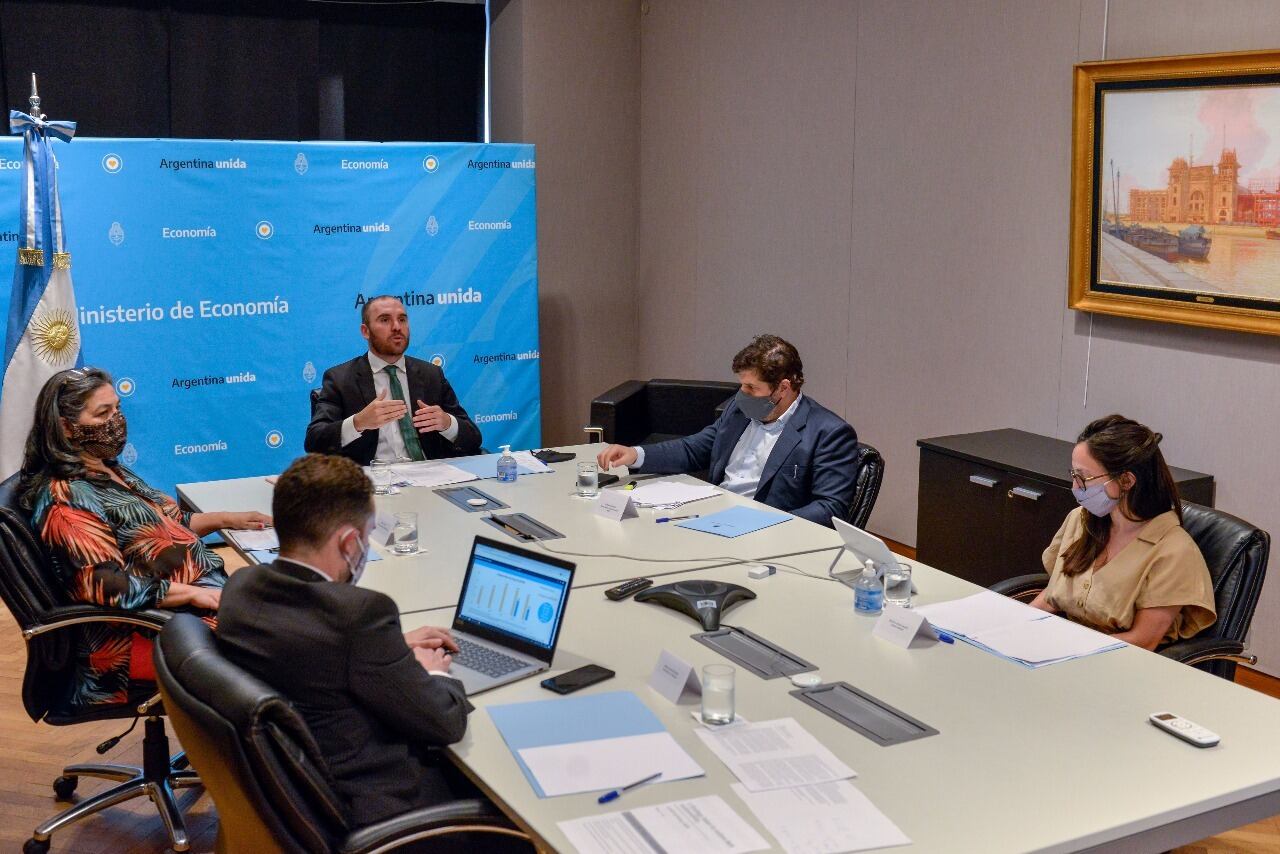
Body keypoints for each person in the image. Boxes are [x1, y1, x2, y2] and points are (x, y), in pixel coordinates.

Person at [217, 453, 472, 828]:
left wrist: (391, 647)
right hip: (374, 807)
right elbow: (446, 722)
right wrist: (435, 674)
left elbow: (307, 645)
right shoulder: (360, 614)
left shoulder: (240, 588)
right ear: (350, 542)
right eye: (368, 535)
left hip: (290, 802)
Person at [18, 367, 271, 711]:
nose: (116, 421)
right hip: (138, 638)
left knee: (296, 617)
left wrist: (227, 519)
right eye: (102, 413)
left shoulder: (106, 467)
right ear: (65, 427)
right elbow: (107, 586)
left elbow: (168, 523)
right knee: (285, 648)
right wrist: (199, 595)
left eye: (118, 409)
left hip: (188, 612)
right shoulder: (67, 498)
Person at [596, 334, 859, 527]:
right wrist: (635, 454)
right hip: (711, 515)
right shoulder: (740, 410)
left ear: (783, 388)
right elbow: (696, 448)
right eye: (741, 385)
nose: (741, 394)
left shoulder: (829, 433)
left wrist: (768, 521)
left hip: (764, 532)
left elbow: (829, 508)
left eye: (751, 388)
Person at [1031, 415, 1215, 650]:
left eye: (1084, 478)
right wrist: (1018, 624)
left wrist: (1071, 650)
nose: (1075, 487)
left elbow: (1144, 640)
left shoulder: (1173, 551)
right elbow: (1053, 594)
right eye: (1074, 475)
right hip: (1062, 650)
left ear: (1126, 480)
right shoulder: (1080, 520)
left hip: (1116, 665)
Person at [304, 295, 482, 465]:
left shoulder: (431, 375)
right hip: (372, 482)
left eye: (402, 319)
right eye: (385, 320)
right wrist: (358, 422)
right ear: (365, 331)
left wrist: (447, 423)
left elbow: (474, 437)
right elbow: (315, 441)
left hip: (429, 476)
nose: (397, 327)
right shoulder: (340, 379)